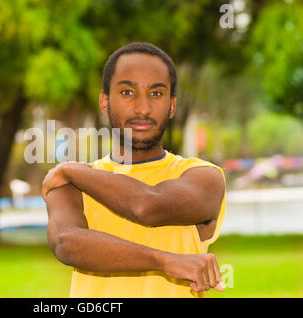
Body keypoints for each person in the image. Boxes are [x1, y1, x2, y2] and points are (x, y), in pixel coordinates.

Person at [42, 42, 226, 298]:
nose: (142, 108)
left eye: (156, 94)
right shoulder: (69, 185)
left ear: (172, 105)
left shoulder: (204, 176)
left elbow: (146, 206)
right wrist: (164, 261)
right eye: (128, 92)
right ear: (105, 102)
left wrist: (70, 171)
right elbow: (67, 244)